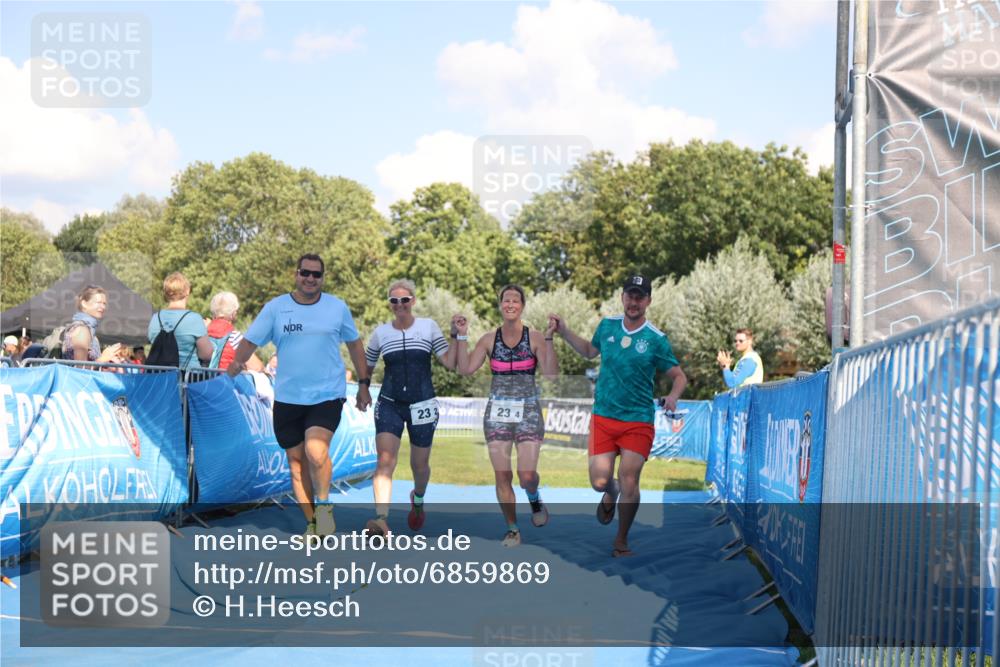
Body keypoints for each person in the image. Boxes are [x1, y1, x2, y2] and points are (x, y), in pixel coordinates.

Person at [227, 253, 372, 537]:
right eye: (305, 272)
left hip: (327, 393)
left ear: (322, 278)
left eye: (316, 274)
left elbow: (355, 345)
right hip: (288, 397)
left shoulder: (337, 308)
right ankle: (313, 523)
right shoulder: (276, 308)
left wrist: (364, 382)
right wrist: (234, 364)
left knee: (315, 452)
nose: (310, 278)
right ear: (296, 274)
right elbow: (250, 341)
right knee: (295, 463)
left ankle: (325, 507)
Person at [550, 274, 687, 558]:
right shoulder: (607, 327)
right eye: (630, 295)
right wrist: (564, 331)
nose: (634, 301)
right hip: (604, 416)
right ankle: (609, 494)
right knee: (600, 482)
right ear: (623, 297)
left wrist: (673, 396)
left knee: (629, 479)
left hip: (638, 420)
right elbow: (589, 351)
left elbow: (679, 376)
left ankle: (621, 540)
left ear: (648, 301)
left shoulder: (656, 339)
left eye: (640, 296)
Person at [453, 285, 558, 547]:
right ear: (500, 305)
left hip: (528, 412)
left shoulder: (533, 337)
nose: (510, 304)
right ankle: (512, 529)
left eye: (515, 300)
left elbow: (551, 374)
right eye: (506, 300)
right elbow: (465, 369)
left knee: (526, 475)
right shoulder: (489, 339)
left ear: (522, 306)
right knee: (502, 475)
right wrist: (462, 337)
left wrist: (549, 338)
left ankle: (533, 496)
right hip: (497, 413)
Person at [363, 279, 458, 537]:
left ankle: (418, 498)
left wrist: (456, 335)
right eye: (394, 301)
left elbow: (449, 362)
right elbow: (367, 367)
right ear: (390, 304)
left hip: (423, 404)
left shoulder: (428, 327)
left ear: (413, 301)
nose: (400, 305)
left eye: (405, 300)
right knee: (385, 460)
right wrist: (363, 390)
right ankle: (381, 519)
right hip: (390, 403)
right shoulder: (381, 333)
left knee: (420, 465)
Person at [147, 273, 213, 369]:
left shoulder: (155, 318)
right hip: (188, 379)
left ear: (166, 293)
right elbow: (206, 355)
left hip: (160, 379)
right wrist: (206, 331)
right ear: (187, 291)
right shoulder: (194, 319)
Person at [63, 286, 127, 364]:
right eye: (99, 303)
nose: (103, 307)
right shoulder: (81, 330)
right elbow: (80, 369)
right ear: (84, 303)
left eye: (104, 303)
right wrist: (103, 358)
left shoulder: (89, 330)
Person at [206, 291, 264, 371]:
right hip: (224, 382)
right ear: (233, 314)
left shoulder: (202, 332)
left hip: (202, 382)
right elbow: (256, 367)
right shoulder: (234, 337)